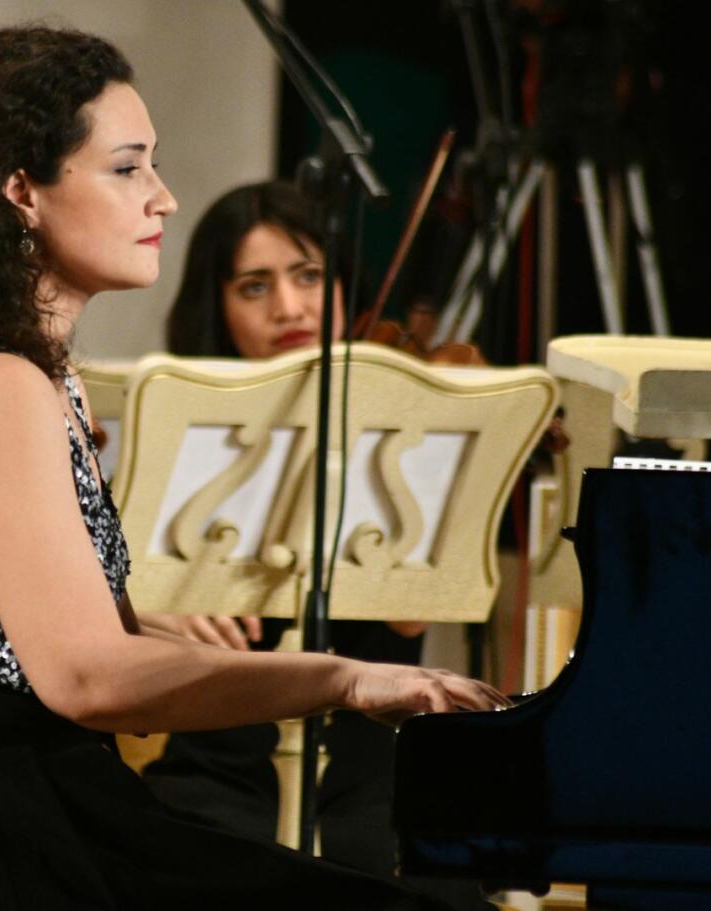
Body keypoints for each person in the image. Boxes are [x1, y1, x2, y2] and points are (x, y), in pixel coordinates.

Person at [0, 25, 506, 910]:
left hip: (22, 803)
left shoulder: (40, 377)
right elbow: (89, 679)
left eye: (154, 166)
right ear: (22, 190)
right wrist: (345, 678)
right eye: (128, 168)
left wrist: (223, 645)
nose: (163, 198)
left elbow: (91, 652)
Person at [150, 180, 488, 910]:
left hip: (369, 782)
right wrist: (153, 606)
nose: (290, 308)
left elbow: (407, 618)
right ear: (216, 304)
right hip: (217, 776)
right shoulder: (172, 432)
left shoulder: (401, 430)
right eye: (255, 286)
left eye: (309, 276)